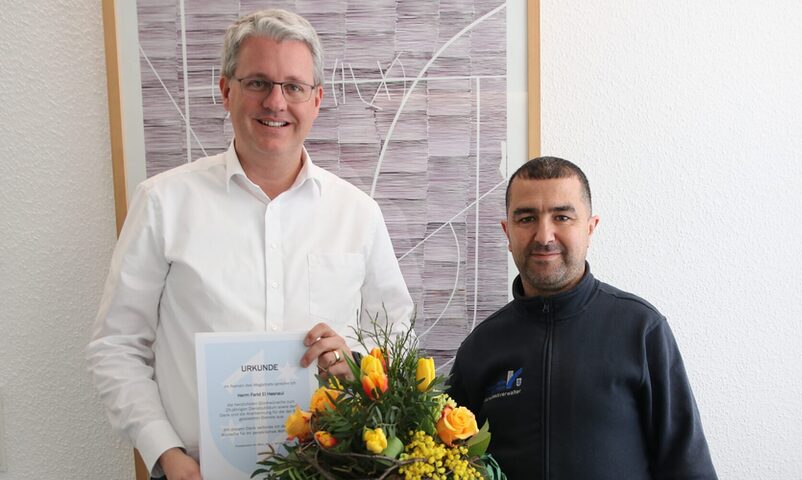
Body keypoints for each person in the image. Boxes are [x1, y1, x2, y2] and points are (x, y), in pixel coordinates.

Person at [86, 9, 412, 480]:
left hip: (332, 468)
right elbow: (116, 346)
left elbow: (398, 334)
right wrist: (164, 454)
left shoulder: (357, 213)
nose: (276, 102)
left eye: (294, 87)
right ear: (226, 91)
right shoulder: (163, 203)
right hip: (195, 471)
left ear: (316, 100)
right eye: (258, 82)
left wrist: (357, 362)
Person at [447, 157, 717, 479]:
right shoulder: (480, 347)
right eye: (526, 218)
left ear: (590, 227)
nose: (544, 235)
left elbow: (687, 466)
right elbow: (448, 464)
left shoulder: (641, 330)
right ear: (507, 231)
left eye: (562, 217)